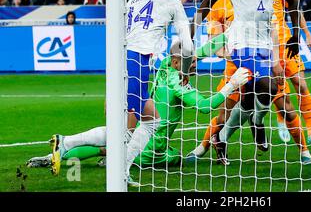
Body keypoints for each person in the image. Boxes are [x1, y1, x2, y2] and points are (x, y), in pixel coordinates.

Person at [50, 0, 194, 186]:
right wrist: (185, 70)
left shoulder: (130, 2)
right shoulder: (171, 1)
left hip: (122, 60)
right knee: (125, 128)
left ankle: (123, 170)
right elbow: (188, 44)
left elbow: (118, 37)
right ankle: (66, 142)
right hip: (138, 61)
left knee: (152, 120)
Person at [27, 40, 250, 172]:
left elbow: (198, 51)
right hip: (153, 146)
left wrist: (228, 38)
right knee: (176, 159)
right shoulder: (178, 84)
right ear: (176, 62)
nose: (195, 65)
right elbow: (203, 106)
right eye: (191, 63)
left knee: (116, 139)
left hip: (140, 127)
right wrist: (231, 85)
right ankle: (78, 153)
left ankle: (59, 149)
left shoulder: (165, 65)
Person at [192, 0, 304, 165]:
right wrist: (191, 30)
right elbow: (207, 3)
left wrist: (296, 34)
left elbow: (292, 1)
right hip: (240, 43)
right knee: (269, 86)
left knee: (250, 98)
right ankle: (257, 121)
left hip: (264, 43)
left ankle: (225, 135)